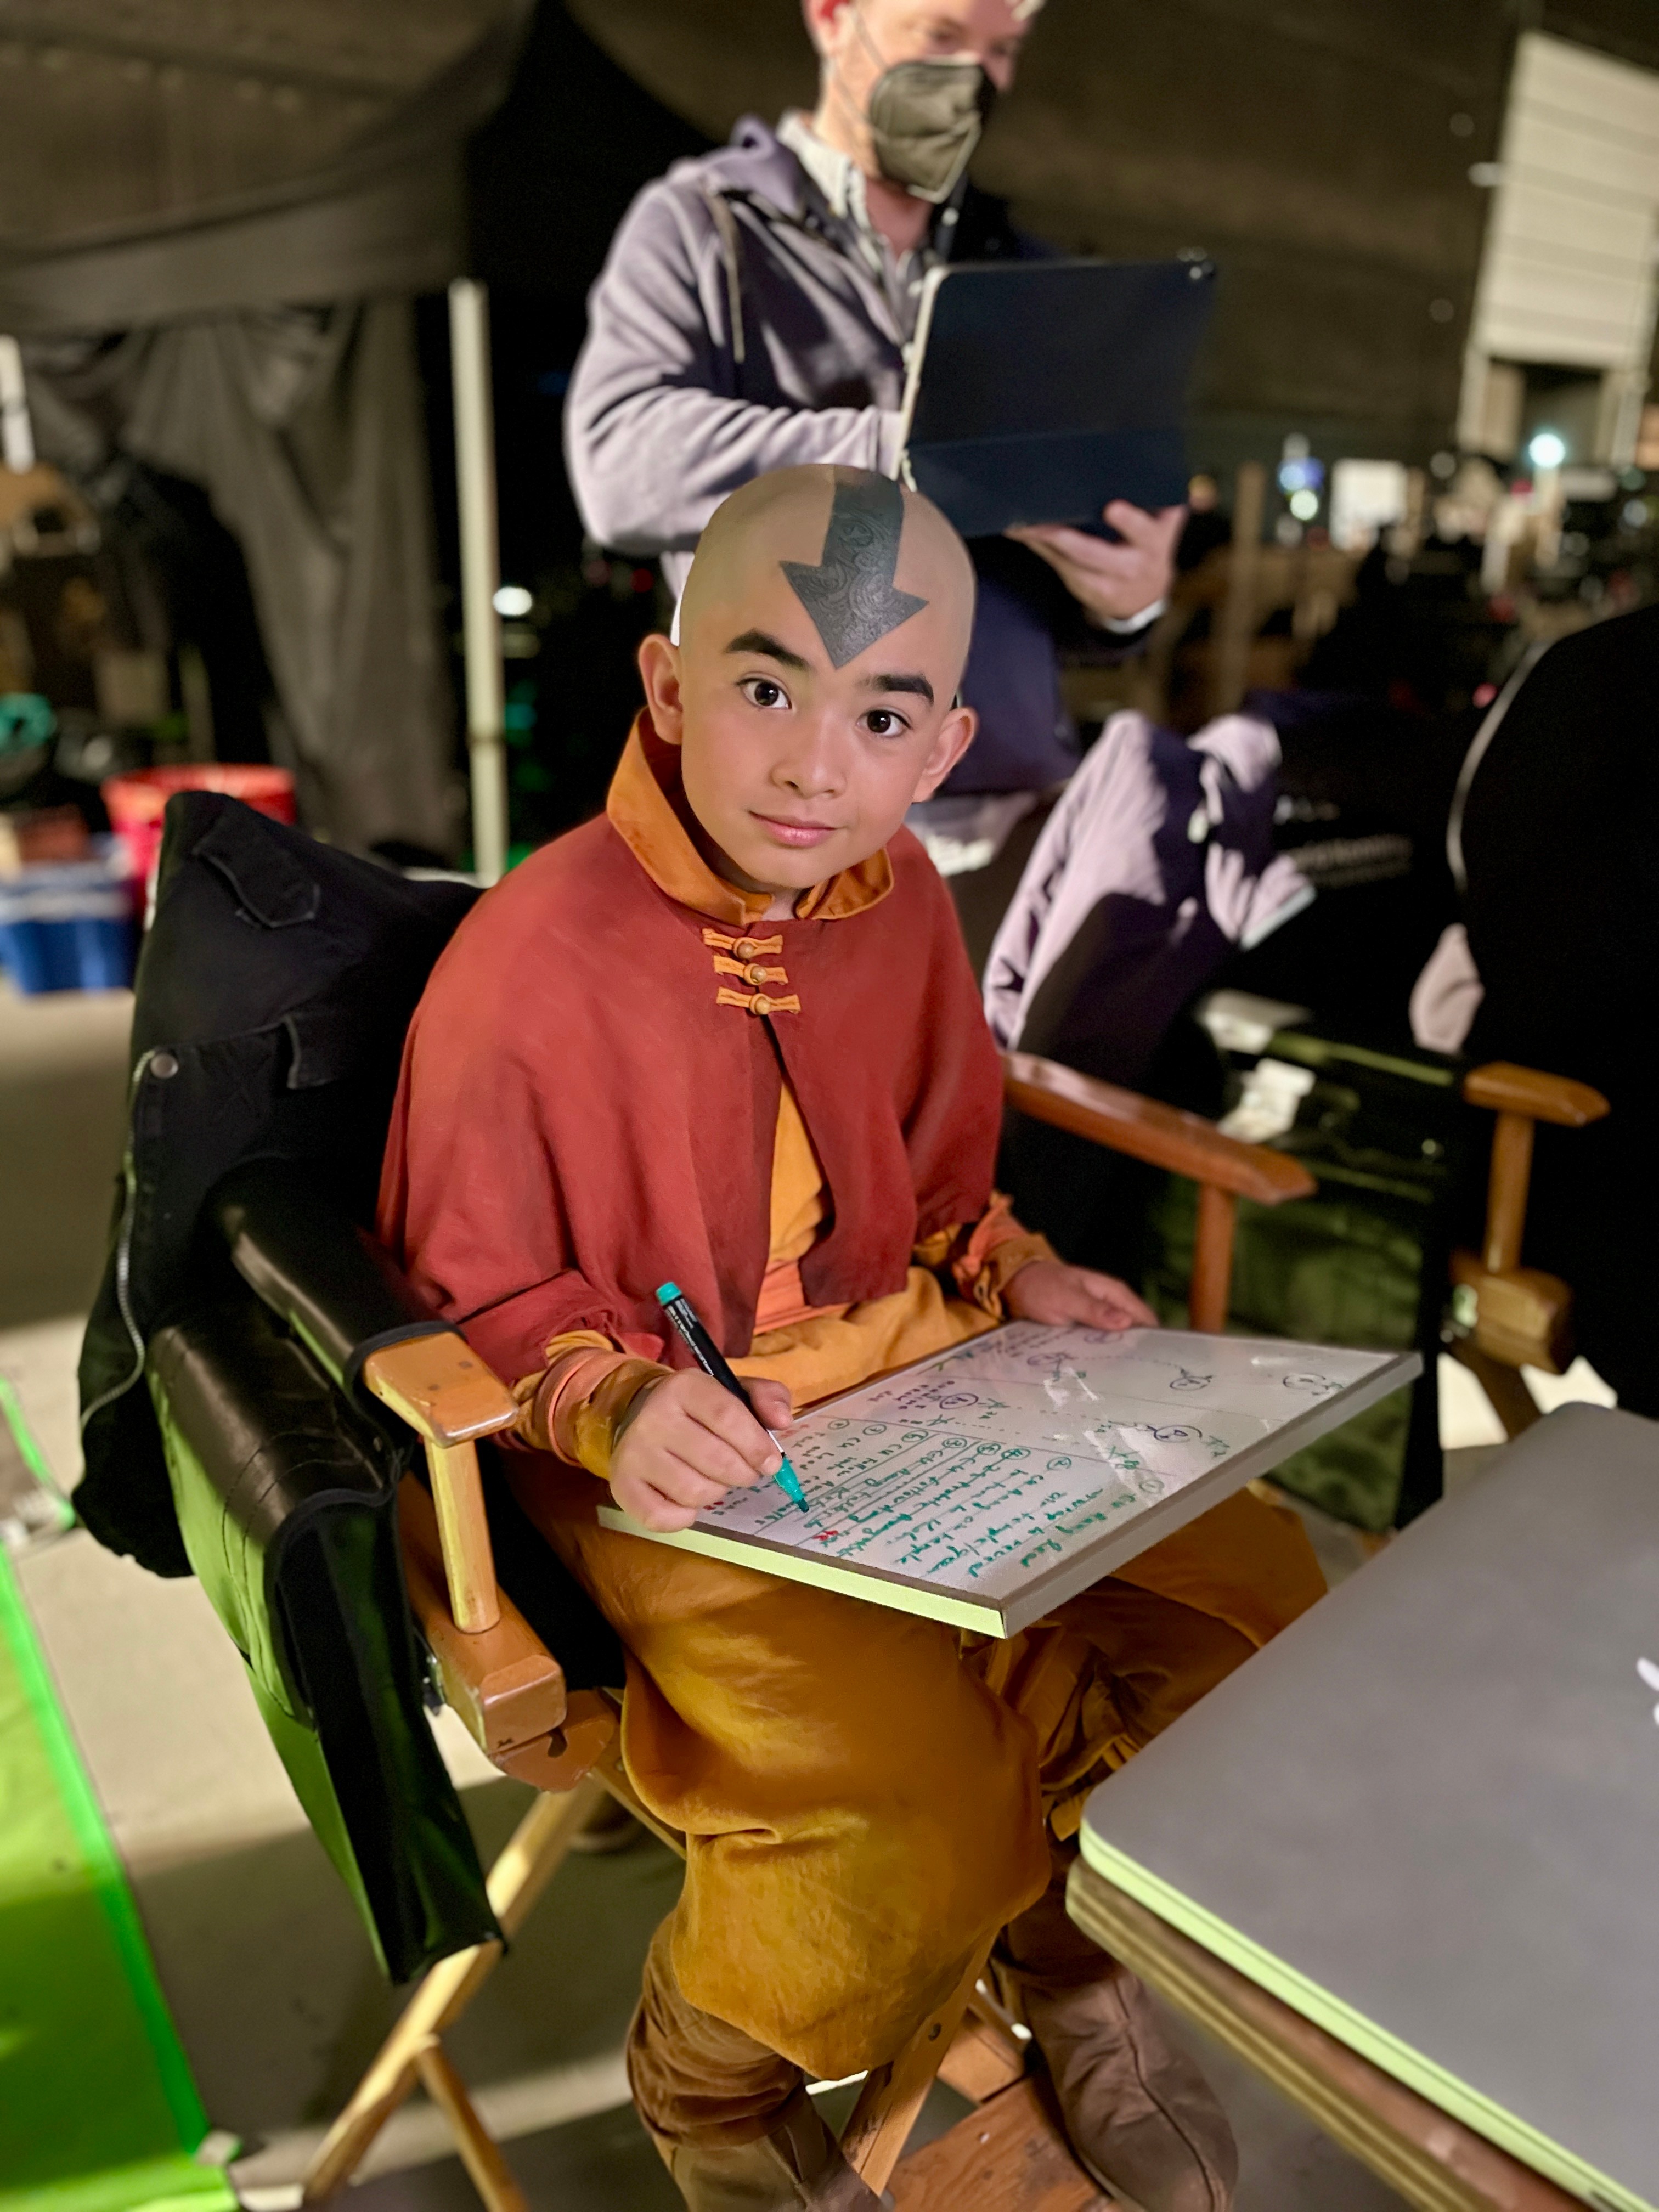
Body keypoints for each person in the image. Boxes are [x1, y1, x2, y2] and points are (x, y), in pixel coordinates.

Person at [380, 465, 1322, 2211]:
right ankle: (713, 2077)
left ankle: (1071, 1951)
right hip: (676, 1448)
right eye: (764, 688)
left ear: (942, 746)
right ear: (667, 690)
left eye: (880, 711)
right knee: (902, 1805)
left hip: (929, 1363)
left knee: (1250, 1609)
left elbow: (946, 1169)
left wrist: (1014, 1264)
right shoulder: (529, 960)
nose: (819, 763)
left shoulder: (894, 908)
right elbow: (474, 1290)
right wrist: (609, 1403)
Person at [565, 0, 1184, 809]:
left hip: (1006, 794)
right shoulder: (704, 225)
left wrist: (1126, 602)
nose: (973, 79)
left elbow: (1035, 576)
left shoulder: (1025, 268)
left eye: (1002, 51)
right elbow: (620, 462)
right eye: (942, 36)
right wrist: (906, 454)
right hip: (793, 811)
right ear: (831, 17)